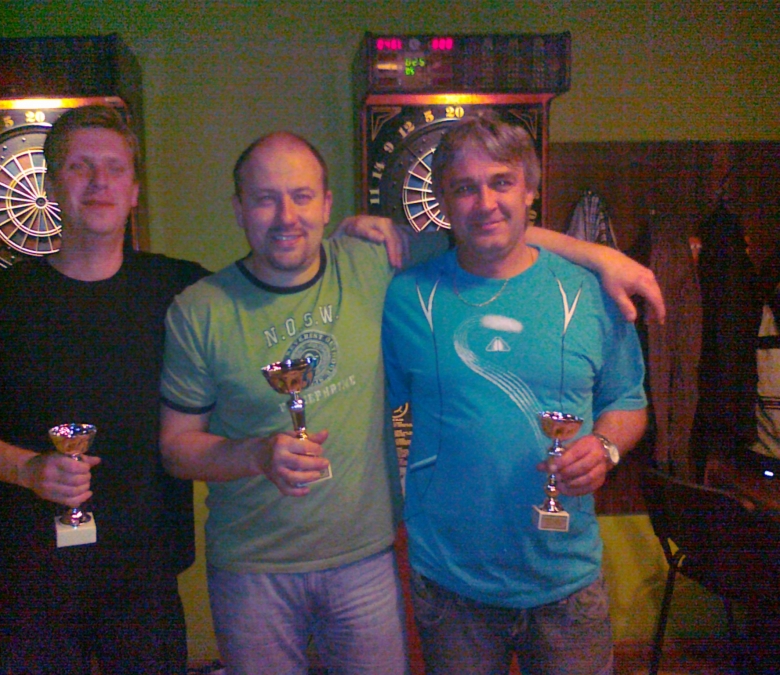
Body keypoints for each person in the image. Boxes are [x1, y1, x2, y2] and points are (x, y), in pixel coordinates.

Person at [158, 130, 662, 674]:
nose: (286, 216)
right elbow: (177, 447)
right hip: (376, 576)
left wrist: (602, 259)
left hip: (512, 573)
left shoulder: (585, 292)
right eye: (264, 199)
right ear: (239, 209)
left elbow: (626, 399)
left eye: (301, 196)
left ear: (326, 204)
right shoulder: (389, 287)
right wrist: (256, 454)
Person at [0, 105, 209, 674]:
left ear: (133, 192)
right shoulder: (1, 300)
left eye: (115, 168)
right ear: (52, 186)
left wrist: (351, 244)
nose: (99, 182)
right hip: (34, 573)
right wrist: (27, 469)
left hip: (147, 569)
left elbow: (272, 283)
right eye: (80, 166)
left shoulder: (180, 287)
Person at [381, 111, 649, 674]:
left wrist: (604, 448)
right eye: (464, 188)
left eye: (501, 182)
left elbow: (628, 402)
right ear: (444, 202)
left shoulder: (592, 293)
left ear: (530, 189)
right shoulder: (407, 297)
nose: (485, 202)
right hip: (452, 584)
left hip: (566, 581)